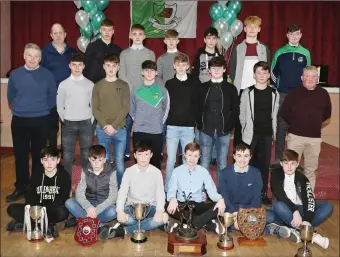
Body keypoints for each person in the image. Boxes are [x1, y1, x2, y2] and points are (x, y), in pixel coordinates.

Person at [6, 43, 56, 203]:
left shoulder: (48, 75)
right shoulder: (15, 74)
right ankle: (21, 187)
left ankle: (35, 187)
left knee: (38, 156)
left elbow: (51, 98)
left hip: (41, 120)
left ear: (40, 59)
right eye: (29, 55)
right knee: (20, 156)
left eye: (36, 56)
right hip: (19, 121)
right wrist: (22, 109)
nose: (32, 59)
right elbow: (10, 97)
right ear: (24, 56)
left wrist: (40, 111)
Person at [99, 140, 168, 239]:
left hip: (150, 208)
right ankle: (148, 224)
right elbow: (122, 192)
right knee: (127, 219)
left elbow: (160, 193)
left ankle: (124, 231)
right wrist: (120, 211)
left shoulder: (156, 172)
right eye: (140, 154)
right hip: (132, 208)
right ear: (135, 155)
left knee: (164, 217)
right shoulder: (129, 171)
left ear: (151, 155)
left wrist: (159, 210)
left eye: (146, 154)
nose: (143, 158)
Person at [219, 143, 290, 238]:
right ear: (234, 156)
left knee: (270, 216)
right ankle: (267, 229)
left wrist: (243, 216)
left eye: (246, 156)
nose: (242, 159)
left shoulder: (256, 173)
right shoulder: (225, 173)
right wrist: (236, 214)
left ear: (250, 157)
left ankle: (244, 226)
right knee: (224, 218)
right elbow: (225, 197)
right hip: (232, 210)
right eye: (239, 156)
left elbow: (257, 199)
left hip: (250, 210)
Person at [280, 66, 332, 191]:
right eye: (307, 76)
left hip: (314, 139)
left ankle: (308, 197)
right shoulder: (293, 93)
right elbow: (284, 112)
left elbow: (327, 114)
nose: (310, 79)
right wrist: (297, 124)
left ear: (317, 79)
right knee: (290, 168)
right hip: (295, 137)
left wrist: (314, 122)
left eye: (313, 76)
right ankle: (290, 197)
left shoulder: (323, 94)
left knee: (310, 169)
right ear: (302, 78)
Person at [271, 149, 333, 249]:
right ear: (281, 164)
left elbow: (309, 198)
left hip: (301, 211)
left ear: (297, 164)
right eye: (286, 163)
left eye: (292, 163)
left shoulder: (302, 178)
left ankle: (300, 229)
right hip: (286, 211)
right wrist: (295, 211)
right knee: (279, 206)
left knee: (327, 206)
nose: (289, 167)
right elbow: (281, 196)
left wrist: (307, 219)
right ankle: (310, 234)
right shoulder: (276, 175)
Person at [6, 146, 71, 238]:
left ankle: (25, 224)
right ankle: (46, 226)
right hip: (36, 209)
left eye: (52, 159)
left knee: (63, 212)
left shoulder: (64, 176)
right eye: (45, 160)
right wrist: (34, 209)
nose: (49, 163)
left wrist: (43, 213)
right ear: (41, 161)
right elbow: (30, 193)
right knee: (11, 208)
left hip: (52, 209)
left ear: (58, 160)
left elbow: (62, 198)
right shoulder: (37, 173)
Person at [239, 61, 279, 204]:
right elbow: (242, 114)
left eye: (264, 73)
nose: (262, 75)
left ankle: (262, 193)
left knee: (263, 166)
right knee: (248, 164)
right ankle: (246, 192)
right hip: (251, 135)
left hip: (267, 135)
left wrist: (274, 132)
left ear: (269, 75)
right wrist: (246, 129)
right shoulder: (247, 92)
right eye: (259, 73)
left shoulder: (274, 93)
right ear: (254, 75)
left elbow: (275, 114)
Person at [271, 24, 311, 165]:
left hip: (299, 95)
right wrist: (278, 88)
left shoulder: (305, 53)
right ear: (287, 35)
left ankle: (294, 158)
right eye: (292, 34)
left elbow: (309, 74)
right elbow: (273, 73)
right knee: (281, 127)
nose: (294, 36)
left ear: (301, 35)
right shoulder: (280, 52)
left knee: (297, 127)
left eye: (297, 34)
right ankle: (279, 158)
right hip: (283, 94)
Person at [196, 56, 239, 188]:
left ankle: (222, 192)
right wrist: (200, 124)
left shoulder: (231, 89)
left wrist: (229, 126)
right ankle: (202, 192)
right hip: (206, 130)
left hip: (224, 131)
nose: (216, 70)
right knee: (204, 162)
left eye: (219, 68)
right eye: (213, 68)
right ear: (209, 70)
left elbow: (235, 110)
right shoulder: (202, 88)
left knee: (222, 163)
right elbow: (197, 108)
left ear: (224, 69)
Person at [228, 16, 271, 148]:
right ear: (244, 29)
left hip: (258, 91)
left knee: (257, 123)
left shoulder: (264, 48)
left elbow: (267, 68)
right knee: (240, 124)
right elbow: (232, 69)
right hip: (240, 91)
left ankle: (254, 153)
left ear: (259, 29)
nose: (252, 29)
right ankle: (238, 153)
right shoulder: (238, 48)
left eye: (255, 26)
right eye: (249, 27)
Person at [166, 142, 226, 234]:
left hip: (197, 206)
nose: (192, 159)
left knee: (219, 206)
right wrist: (172, 198)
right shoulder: (176, 171)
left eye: (195, 156)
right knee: (166, 205)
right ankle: (205, 223)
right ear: (185, 155)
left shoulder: (204, 172)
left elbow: (212, 192)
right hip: (181, 206)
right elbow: (171, 190)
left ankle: (187, 224)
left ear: (199, 157)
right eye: (189, 155)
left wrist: (220, 199)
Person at [119, 24, 156, 163]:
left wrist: (143, 91)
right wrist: (134, 90)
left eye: (140, 34)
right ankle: (126, 152)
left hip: (145, 95)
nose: (137, 37)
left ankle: (144, 153)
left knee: (143, 127)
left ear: (144, 37)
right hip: (129, 95)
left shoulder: (150, 54)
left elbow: (151, 73)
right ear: (130, 36)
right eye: (134, 34)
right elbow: (122, 74)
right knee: (127, 126)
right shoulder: (124, 54)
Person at [92, 54, 130, 187]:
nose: (111, 69)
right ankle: (106, 190)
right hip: (102, 129)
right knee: (105, 161)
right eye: (108, 65)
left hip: (119, 128)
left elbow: (125, 108)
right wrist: (106, 125)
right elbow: (95, 109)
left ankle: (120, 191)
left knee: (119, 163)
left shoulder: (124, 85)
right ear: (104, 66)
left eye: (114, 66)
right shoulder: (98, 85)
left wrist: (113, 126)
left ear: (118, 67)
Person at [57, 53, 94, 178]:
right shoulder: (63, 84)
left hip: (86, 124)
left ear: (83, 66)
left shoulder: (90, 84)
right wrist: (66, 120)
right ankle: (67, 186)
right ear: (69, 66)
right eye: (74, 65)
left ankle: (86, 184)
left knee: (85, 155)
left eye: (79, 65)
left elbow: (94, 105)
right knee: (67, 156)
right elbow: (59, 106)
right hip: (68, 124)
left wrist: (90, 119)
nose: (77, 67)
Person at [164, 54, 198, 192]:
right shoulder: (169, 84)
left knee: (187, 160)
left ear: (188, 66)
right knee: (171, 160)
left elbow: (197, 104)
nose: (181, 67)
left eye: (184, 65)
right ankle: (167, 189)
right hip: (172, 127)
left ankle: (186, 189)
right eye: (178, 65)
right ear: (174, 66)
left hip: (188, 128)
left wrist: (194, 121)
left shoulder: (194, 82)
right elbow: (166, 105)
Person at [156, 29, 190, 160]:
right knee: (164, 125)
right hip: (166, 97)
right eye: (168, 39)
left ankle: (182, 152)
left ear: (178, 40)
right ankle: (160, 151)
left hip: (181, 98)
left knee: (182, 123)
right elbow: (158, 79)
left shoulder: (184, 57)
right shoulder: (161, 59)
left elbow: (188, 76)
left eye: (173, 39)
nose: (171, 42)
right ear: (165, 41)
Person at [41, 23, 77, 148]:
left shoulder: (72, 52)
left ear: (65, 34)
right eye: (55, 33)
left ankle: (67, 156)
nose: (58, 36)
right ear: (51, 35)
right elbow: (41, 73)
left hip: (69, 96)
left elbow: (77, 73)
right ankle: (52, 154)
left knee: (68, 128)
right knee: (52, 128)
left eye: (60, 32)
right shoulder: (44, 51)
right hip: (51, 96)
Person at [65, 145, 118, 227]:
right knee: (69, 203)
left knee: (114, 211)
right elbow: (79, 192)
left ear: (104, 160)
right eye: (93, 160)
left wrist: (97, 210)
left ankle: (85, 221)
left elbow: (113, 196)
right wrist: (88, 207)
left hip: (103, 205)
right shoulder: (85, 170)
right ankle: (96, 224)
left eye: (100, 160)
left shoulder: (111, 171)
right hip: (89, 203)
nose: (96, 164)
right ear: (89, 159)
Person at [130, 60, 169, 169]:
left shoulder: (162, 90)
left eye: (152, 70)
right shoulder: (135, 90)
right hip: (139, 131)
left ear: (156, 73)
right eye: (146, 70)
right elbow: (132, 108)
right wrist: (137, 121)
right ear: (142, 72)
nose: (149, 73)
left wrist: (159, 123)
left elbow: (166, 108)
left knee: (155, 162)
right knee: (139, 162)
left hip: (156, 131)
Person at [193, 27, 223, 153]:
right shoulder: (199, 54)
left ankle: (214, 155)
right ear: (205, 39)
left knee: (215, 122)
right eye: (209, 38)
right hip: (201, 93)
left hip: (216, 92)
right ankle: (199, 151)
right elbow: (195, 74)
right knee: (200, 123)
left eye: (214, 38)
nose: (211, 41)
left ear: (217, 40)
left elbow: (224, 76)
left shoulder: (219, 56)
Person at [83, 19, 122, 84]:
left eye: (109, 30)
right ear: (100, 30)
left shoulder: (118, 50)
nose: (107, 32)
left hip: (112, 86)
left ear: (113, 32)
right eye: (104, 29)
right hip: (94, 85)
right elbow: (86, 68)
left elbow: (120, 71)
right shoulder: (92, 47)